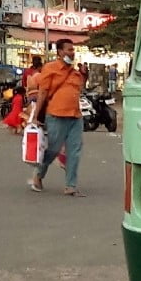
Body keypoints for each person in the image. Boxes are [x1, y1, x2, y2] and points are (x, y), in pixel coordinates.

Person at [27, 39, 86, 196]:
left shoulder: (75, 72)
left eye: (73, 50)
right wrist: (35, 116)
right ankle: (38, 175)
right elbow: (43, 93)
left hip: (75, 116)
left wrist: (84, 74)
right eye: (69, 49)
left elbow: (79, 89)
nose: (72, 53)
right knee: (53, 149)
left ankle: (70, 186)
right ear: (60, 52)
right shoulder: (50, 68)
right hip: (56, 115)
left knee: (74, 151)